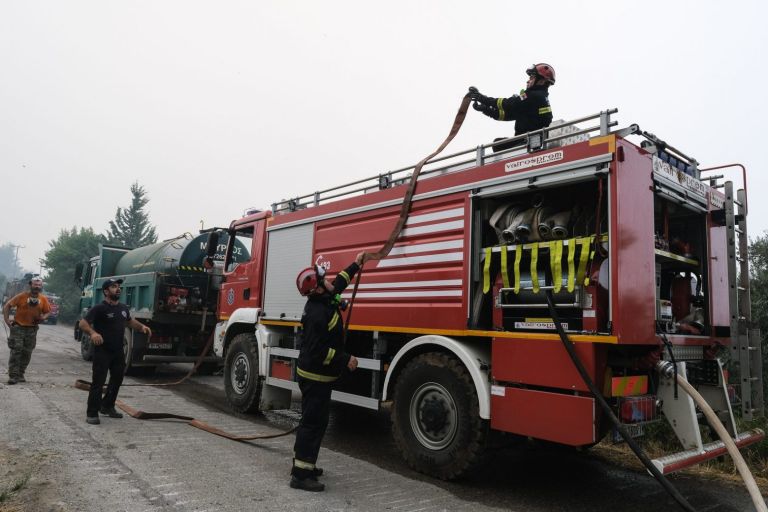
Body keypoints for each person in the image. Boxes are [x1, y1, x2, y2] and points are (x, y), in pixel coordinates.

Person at [290, 253, 365, 492]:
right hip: (315, 378)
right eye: (326, 279)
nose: (331, 280)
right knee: (312, 424)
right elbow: (318, 351)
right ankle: (300, 475)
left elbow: (341, 281)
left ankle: (307, 465)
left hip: (320, 378)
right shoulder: (317, 314)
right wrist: (346, 359)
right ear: (319, 289)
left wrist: (357, 262)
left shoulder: (325, 298)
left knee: (318, 423)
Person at [78, 278, 152, 425]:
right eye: (113, 287)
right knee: (98, 382)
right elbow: (83, 323)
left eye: (118, 287)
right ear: (106, 291)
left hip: (118, 351)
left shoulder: (123, 308)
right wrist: (93, 333)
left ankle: (107, 406)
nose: (118, 289)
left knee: (117, 380)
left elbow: (129, 321)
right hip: (102, 351)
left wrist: (141, 327)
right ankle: (92, 413)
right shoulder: (99, 308)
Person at [469, 63, 556, 151]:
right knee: (497, 144)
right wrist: (485, 109)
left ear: (541, 81)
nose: (528, 81)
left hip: (528, 141)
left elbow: (507, 104)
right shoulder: (538, 98)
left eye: (532, 77)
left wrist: (482, 98)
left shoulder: (533, 96)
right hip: (529, 140)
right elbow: (507, 115)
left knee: (497, 145)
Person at [3, 277, 51, 384]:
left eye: (39, 285)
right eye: (35, 285)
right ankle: (13, 376)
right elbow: (7, 306)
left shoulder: (43, 299)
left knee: (27, 352)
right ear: (30, 285)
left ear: (41, 286)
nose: (37, 287)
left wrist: (43, 317)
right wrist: (6, 320)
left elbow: (48, 311)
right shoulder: (21, 296)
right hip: (19, 327)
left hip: (32, 329)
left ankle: (20, 374)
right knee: (16, 351)